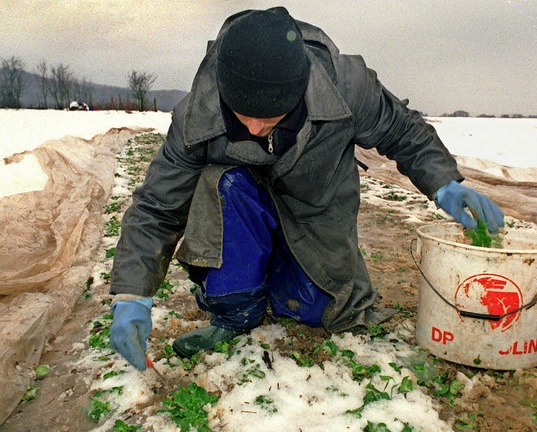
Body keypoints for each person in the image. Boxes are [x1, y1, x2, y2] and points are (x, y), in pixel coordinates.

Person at [109, 7, 504, 370]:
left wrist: (444, 183)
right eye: (243, 115)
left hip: (317, 208)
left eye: (270, 117)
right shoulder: (197, 113)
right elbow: (158, 207)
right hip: (242, 207)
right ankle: (235, 309)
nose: (254, 129)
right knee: (223, 183)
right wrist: (132, 295)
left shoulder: (345, 85)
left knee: (320, 309)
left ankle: (279, 280)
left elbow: (403, 131)